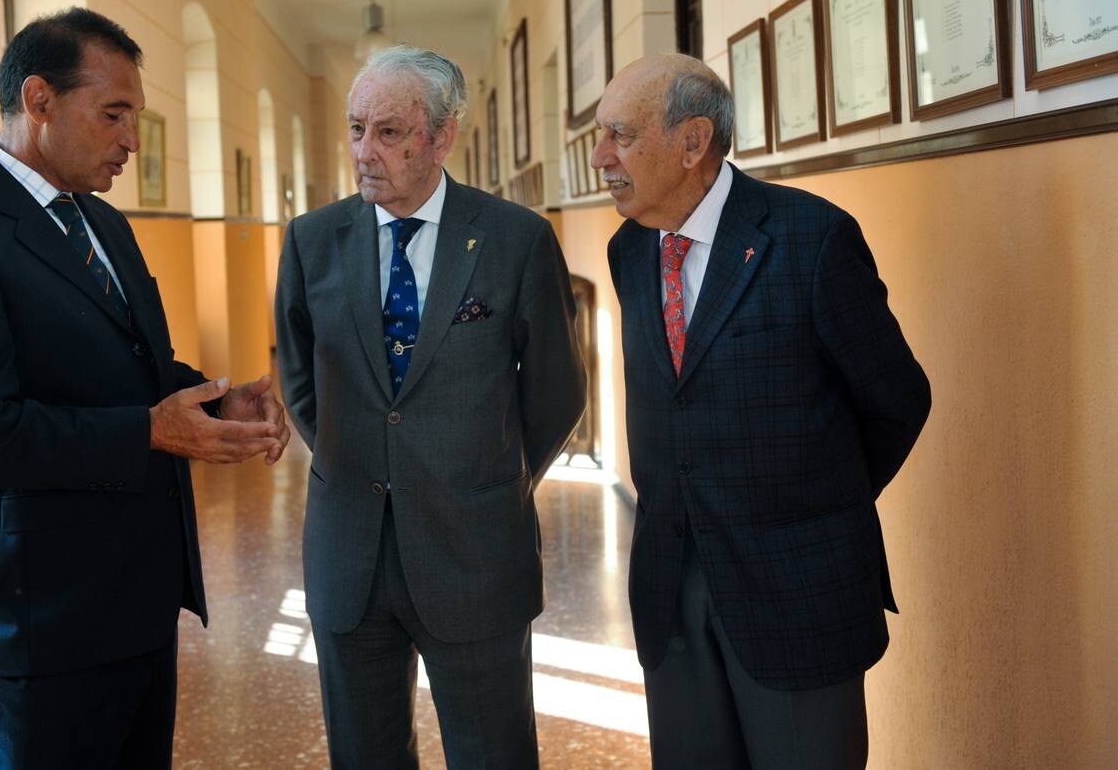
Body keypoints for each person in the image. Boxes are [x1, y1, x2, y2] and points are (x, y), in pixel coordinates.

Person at [0, 7, 289, 769]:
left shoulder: (103, 224)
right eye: (114, 114)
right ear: (39, 100)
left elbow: (134, 369)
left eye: (134, 116)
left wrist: (211, 398)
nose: (132, 139)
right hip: (41, 622)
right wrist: (152, 432)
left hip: (135, 602)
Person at [598, 54, 931, 769]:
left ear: (693, 143)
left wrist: (815, 507)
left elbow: (898, 399)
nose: (602, 158)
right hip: (670, 592)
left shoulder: (811, 241)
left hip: (797, 592)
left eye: (620, 136)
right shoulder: (628, 252)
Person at [275, 45, 586, 769]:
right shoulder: (313, 241)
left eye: (389, 131)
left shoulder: (515, 239)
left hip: (474, 549)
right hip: (348, 549)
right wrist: (363, 457)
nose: (364, 151)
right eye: (356, 129)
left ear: (442, 136)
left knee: (493, 754)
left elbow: (556, 392)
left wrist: (485, 477)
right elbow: (300, 379)